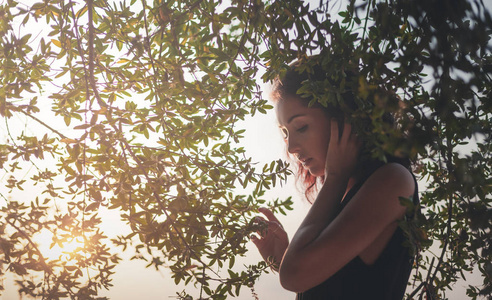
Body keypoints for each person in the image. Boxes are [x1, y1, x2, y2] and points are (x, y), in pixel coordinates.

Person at [251, 62, 419, 299]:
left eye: (301, 126)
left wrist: (335, 178)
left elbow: (294, 275)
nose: (291, 148)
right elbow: (337, 282)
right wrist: (283, 260)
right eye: (285, 133)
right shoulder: (345, 196)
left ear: (342, 119)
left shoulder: (393, 180)